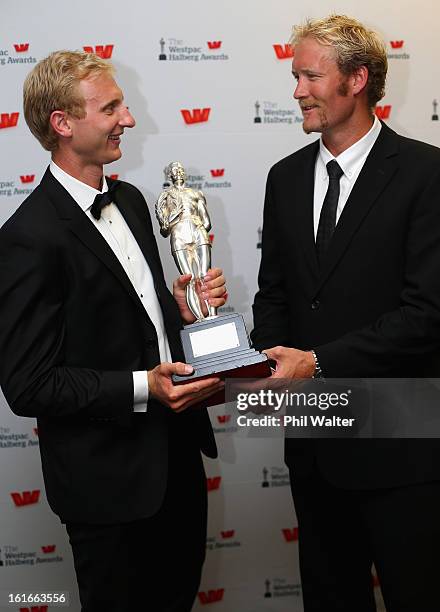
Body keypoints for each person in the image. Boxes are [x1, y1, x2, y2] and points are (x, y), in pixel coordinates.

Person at [251, 15, 440, 612]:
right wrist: (268, 356)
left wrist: (315, 363)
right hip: (315, 433)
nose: (296, 89)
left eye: (310, 75)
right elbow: (275, 294)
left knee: (415, 597)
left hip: (401, 435)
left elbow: (426, 315)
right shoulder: (285, 177)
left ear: (357, 79)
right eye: (294, 75)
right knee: (329, 598)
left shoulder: (436, 176)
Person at [0, 50, 228, 612]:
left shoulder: (128, 200)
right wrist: (143, 387)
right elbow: (29, 384)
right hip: (108, 485)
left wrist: (179, 308)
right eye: (112, 108)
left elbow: (137, 321)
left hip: (177, 460)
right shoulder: (28, 236)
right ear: (63, 123)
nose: (129, 119)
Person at [156, 161, 215, 320]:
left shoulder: (196, 193)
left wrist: (199, 228)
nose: (179, 172)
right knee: (189, 280)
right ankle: (199, 320)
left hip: (197, 232)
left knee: (205, 276)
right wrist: (175, 218)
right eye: (175, 170)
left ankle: (213, 316)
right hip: (179, 236)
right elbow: (164, 229)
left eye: (181, 170)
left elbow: (207, 221)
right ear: (170, 175)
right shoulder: (165, 197)